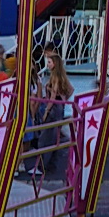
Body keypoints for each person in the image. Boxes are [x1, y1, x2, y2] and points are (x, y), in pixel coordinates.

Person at [41, 50, 74, 178]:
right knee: (55, 135)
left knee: (47, 136)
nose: (47, 65)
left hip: (54, 108)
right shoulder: (61, 77)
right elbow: (71, 90)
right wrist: (64, 99)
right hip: (60, 107)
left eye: (49, 62)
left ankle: (45, 166)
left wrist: (46, 111)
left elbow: (53, 97)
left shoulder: (54, 77)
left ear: (54, 64)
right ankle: (51, 164)